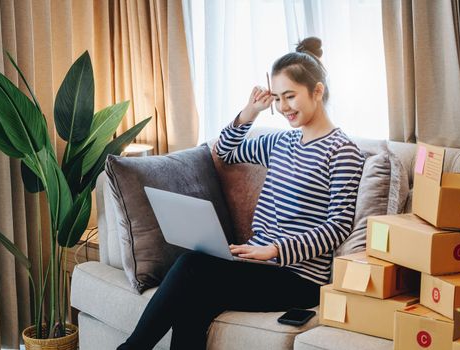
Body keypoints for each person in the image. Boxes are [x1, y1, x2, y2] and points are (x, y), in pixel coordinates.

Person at [117, 37, 365, 350]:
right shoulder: (281, 143)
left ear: (317, 91)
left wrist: (275, 249)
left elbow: (338, 225)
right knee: (193, 301)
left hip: (300, 278)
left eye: (290, 96)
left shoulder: (342, 151)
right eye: (277, 98)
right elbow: (223, 152)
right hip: (258, 264)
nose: (283, 107)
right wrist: (250, 113)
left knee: (191, 267)